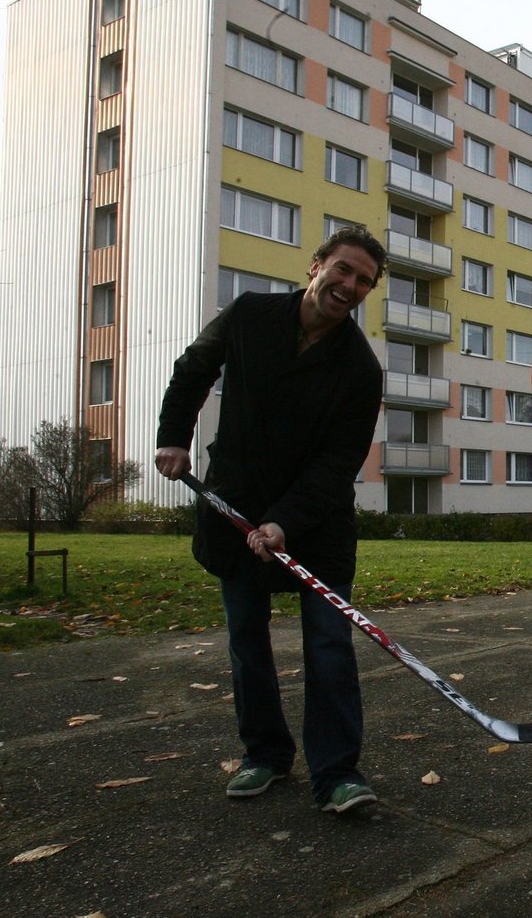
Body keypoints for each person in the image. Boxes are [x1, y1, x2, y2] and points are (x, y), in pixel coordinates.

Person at [155, 225, 387, 814]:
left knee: (330, 644)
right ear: (316, 266)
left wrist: (285, 522)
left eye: (363, 281)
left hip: (317, 522)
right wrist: (173, 439)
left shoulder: (360, 369)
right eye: (343, 269)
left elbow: (338, 463)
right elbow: (193, 369)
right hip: (235, 505)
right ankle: (265, 755)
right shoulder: (249, 315)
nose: (350, 285)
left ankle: (337, 773)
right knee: (247, 641)